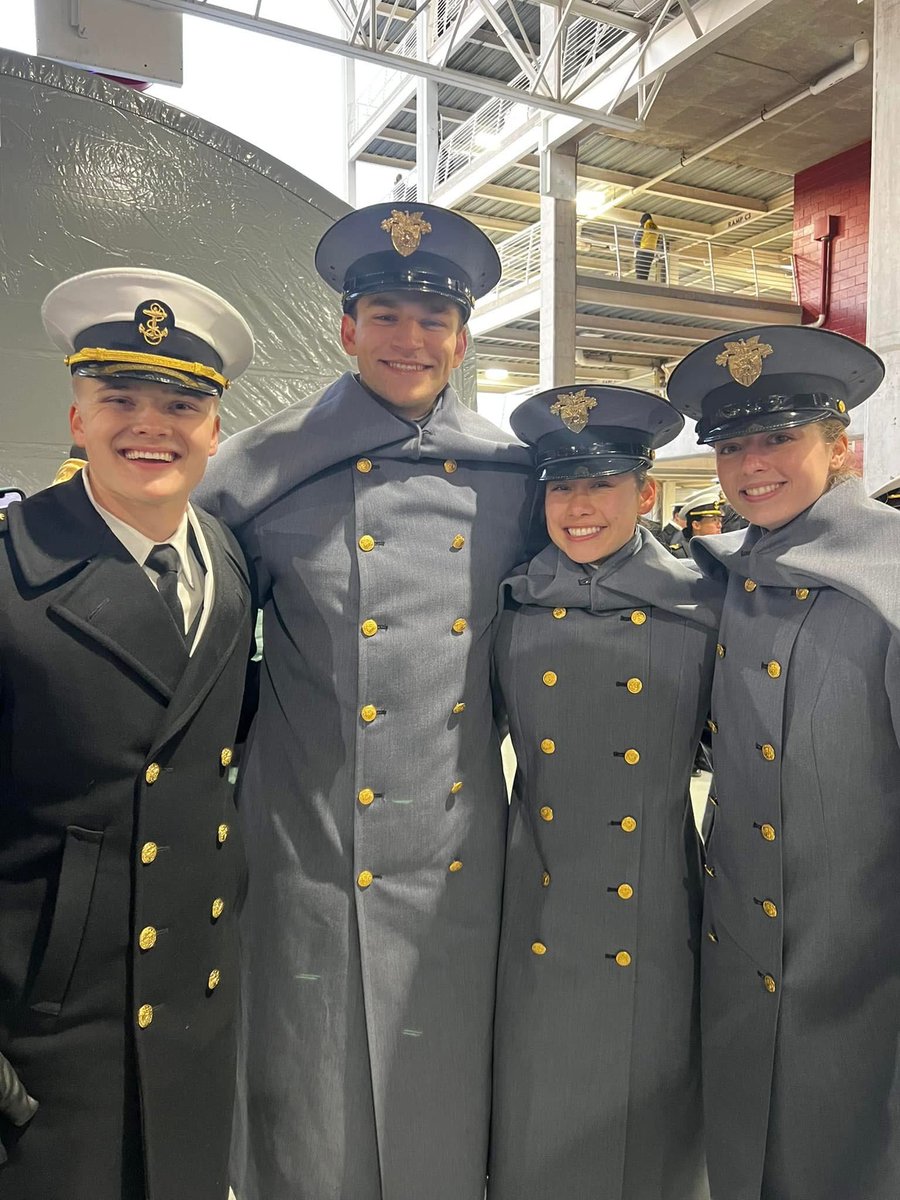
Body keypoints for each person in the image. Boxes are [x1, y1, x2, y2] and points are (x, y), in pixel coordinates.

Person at [195, 203, 533, 1200]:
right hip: (304, 847)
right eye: (386, 315)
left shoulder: (517, 480)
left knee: (441, 1108)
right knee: (307, 1113)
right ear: (346, 329)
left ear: (462, 338)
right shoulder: (255, 471)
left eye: (434, 321)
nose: (411, 341)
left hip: (452, 857)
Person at [0, 267, 255, 1200]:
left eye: (182, 403)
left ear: (215, 430)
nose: (151, 425)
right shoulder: (11, 578)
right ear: (77, 419)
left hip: (198, 1009)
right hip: (51, 1032)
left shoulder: (230, 563)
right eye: (120, 399)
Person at [666, 324, 895, 1200]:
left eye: (780, 436)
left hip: (861, 975)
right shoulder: (726, 574)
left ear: (839, 445)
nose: (752, 462)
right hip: (741, 971)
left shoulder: (891, 582)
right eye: (731, 445)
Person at [487, 384, 721, 1200]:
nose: (578, 507)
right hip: (537, 906)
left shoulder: (704, 606)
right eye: (561, 487)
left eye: (602, 485)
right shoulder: (510, 607)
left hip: (657, 907)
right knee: (536, 1112)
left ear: (645, 492)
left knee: (648, 1125)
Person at [667, 488, 724, 558]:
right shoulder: (678, 553)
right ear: (696, 525)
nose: (719, 526)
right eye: (714, 520)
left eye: (720, 520)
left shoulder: (721, 549)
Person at [633, 213, 663, 281]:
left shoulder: (644, 226)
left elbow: (637, 240)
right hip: (651, 252)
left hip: (643, 250)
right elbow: (658, 241)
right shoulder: (656, 228)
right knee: (646, 270)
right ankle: (644, 283)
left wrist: (637, 247)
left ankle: (639, 284)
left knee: (639, 270)